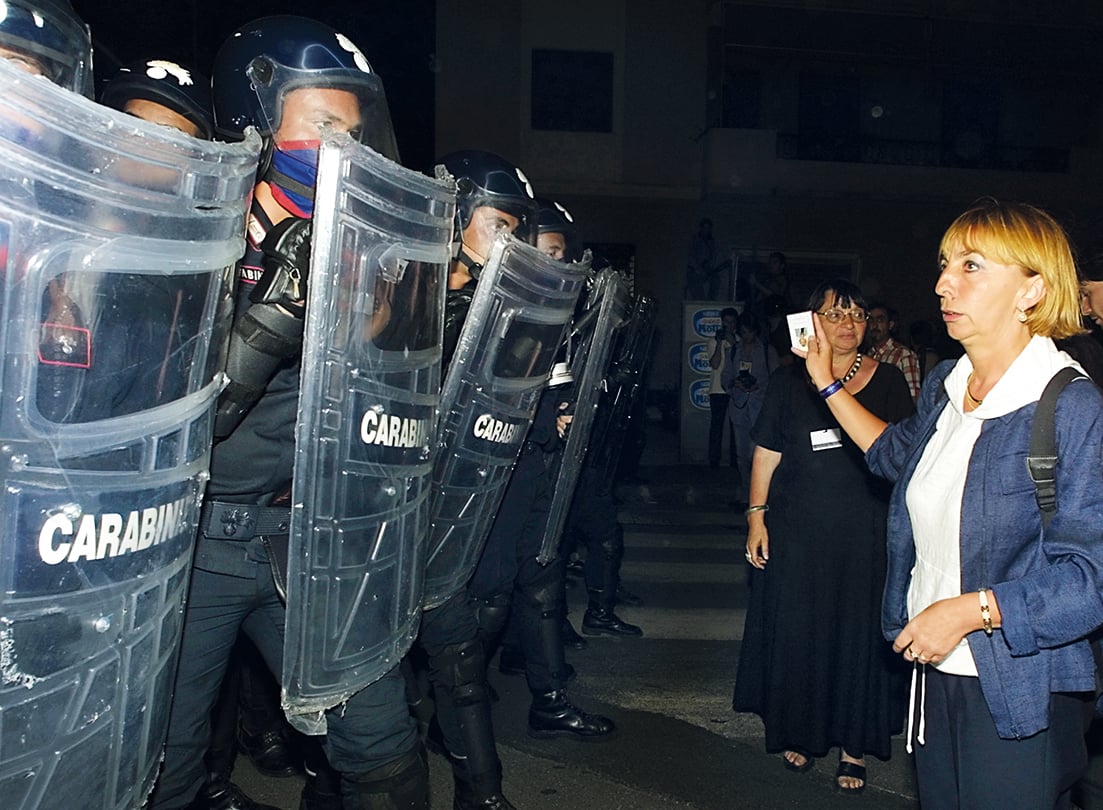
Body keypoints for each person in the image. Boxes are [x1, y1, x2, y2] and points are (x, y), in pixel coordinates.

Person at [150, 17, 428, 810]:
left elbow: (398, 403)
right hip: (197, 539)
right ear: (255, 121)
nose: (346, 143)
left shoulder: (376, 252)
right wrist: (269, 313)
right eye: (325, 124)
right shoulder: (192, 231)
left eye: (356, 125)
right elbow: (174, 417)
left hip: (315, 539)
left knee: (380, 746)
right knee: (160, 760)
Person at [803, 199, 1103, 808]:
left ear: (1032, 290)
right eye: (944, 264)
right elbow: (893, 457)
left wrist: (970, 611)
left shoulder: (1070, 406)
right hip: (935, 673)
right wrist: (827, 383)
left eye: (971, 266)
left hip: (1016, 684)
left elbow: (1089, 583)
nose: (943, 283)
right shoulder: (949, 384)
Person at [438, 154, 616, 742]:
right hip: (484, 468)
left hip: (533, 460)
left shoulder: (535, 304)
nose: (549, 261)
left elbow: (554, 372)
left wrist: (563, 407)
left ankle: (548, 697)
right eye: (543, 247)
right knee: (485, 594)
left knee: (540, 579)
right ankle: (452, 707)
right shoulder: (457, 299)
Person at [733, 278, 913, 794]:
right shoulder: (790, 382)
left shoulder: (889, 382)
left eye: (856, 315)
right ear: (812, 323)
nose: (848, 324)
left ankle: (854, 746)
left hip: (867, 534)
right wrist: (756, 516)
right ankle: (804, 730)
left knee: (858, 633)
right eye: (835, 315)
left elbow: (904, 459)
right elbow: (767, 451)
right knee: (802, 628)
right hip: (799, 531)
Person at [720, 311, 778, 499]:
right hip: (738, 407)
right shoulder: (733, 351)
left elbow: (777, 379)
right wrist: (734, 383)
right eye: (743, 332)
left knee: (756, 456)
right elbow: (725, 378)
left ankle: (757, 495)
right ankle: (745, 491)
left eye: (750, 332)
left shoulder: (768, 351)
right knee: (741, 455)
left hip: (760, 409)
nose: (747, 336)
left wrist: (758, 385)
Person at [867, 302, 922, 402]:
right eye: (871, 320)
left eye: (880, 320)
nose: (874, 325)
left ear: (890, 325)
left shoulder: (904, 355)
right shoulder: (868, 355)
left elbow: (913, 396)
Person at [707, 306, 739, 469]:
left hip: (735, 388)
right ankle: (714, 461)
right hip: (717, 388)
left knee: (736, 425)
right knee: (717, 425)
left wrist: (732, 340)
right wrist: (720, 342)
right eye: (725, 322)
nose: (728, 326)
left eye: (732, 322)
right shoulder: (714, 340)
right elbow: (714, 364)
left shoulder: (740, 340)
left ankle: (735, 460)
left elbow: (741, 356)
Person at [685, 216, 716, 299]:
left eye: (708, 228)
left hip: (706, 269)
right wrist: (697, 269)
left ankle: (710, 301)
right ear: (701, 228)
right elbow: (690, 256)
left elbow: (712, 257)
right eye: (705, 228)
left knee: (716, 280)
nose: (706, 230)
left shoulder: (711, 242)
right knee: (698, 294)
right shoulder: (695, 240)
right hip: (694, 270)